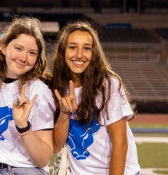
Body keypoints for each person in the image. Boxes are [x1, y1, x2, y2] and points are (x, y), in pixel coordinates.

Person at [50, 21, 141, 175]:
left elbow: (120, 142)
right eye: (72, 47)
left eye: (87, 48)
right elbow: (56, 146)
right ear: (63, 51)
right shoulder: (58, 86)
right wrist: (64, 114)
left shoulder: (107, 84)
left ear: (94, 53)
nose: (79, 55)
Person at [0, 16, 55, 175]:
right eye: (18, 48)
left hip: (20, 170)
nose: (23, 58)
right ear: (3, 46)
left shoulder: (38, 91)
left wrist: (23, 126)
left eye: (32, 53)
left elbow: (43, 159)